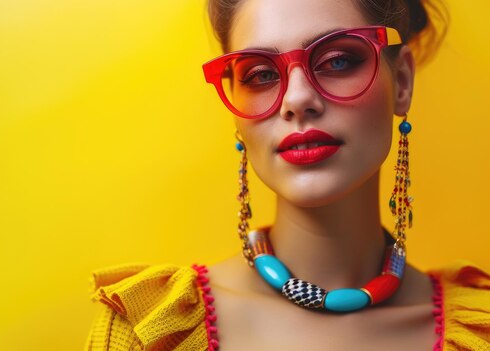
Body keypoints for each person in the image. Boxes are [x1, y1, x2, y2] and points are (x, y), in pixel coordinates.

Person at [85, 0, 490, 350]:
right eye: (260, 74)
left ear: (401, 82)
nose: (297, 99)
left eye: (336, 61)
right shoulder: (149, 334)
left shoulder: (481, 332)